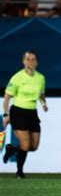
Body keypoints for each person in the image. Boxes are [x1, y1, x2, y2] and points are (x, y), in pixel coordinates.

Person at [3, 51, 48, 179]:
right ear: (23, 61)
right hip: (18, 112)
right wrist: (6, 115)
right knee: (25, 145)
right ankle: (19, 172)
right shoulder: (17, 78)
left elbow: (41, 94)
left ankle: (11, 149)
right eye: (27, 59)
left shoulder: (40, 78)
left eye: (33, 59)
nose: (30, 62)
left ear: (37, 62)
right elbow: (6, 98)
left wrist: (44, 104)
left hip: (32, 113)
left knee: (33, 146)